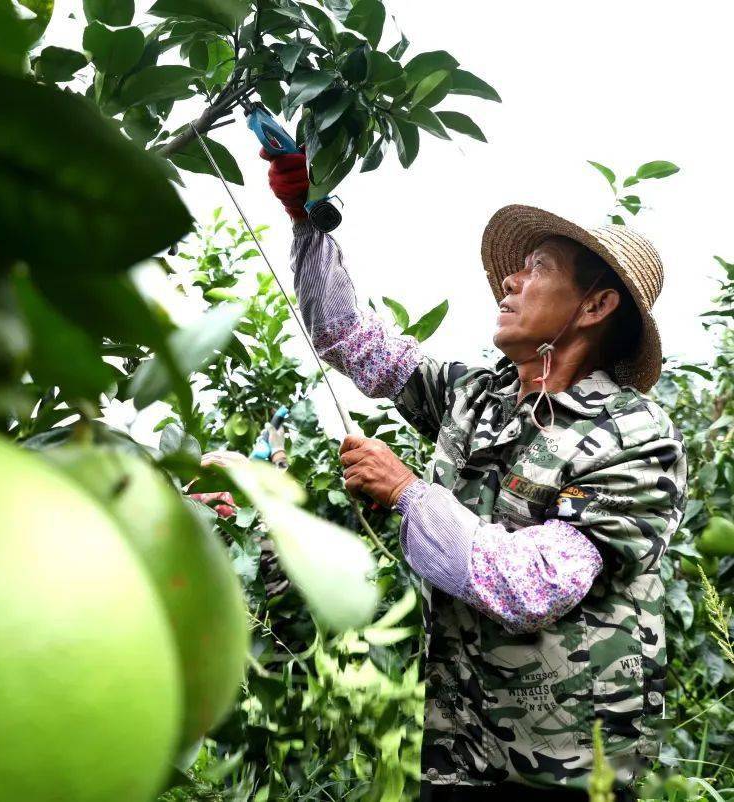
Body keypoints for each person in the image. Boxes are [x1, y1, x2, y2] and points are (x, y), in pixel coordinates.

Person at [261, 150, 687, 800]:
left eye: (537, 268)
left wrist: (407, 492)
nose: (509, 284)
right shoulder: (478, 398)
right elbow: (349, 338)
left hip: (564, 768)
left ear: (596, 304)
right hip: (458, 749)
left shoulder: (634, 438)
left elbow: (528, 588)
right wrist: (308, 219)